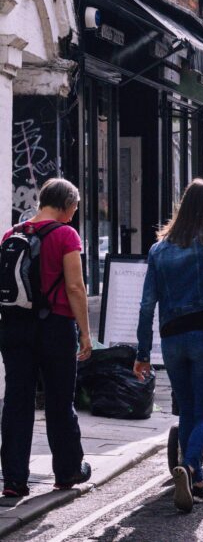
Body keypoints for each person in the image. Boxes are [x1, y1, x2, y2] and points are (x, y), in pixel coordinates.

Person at [134, 180, 203, 514]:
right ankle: (189, 466)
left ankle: (198, 484)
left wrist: (142, 353)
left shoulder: (159, 249)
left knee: (187, 409)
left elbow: (147, 306)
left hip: (171, 337)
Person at [1, 179, 92, 498]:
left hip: (14, 325)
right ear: (66, 204)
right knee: (58, 400)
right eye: (75, 206)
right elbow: (75, 287)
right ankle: (67, 472)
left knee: (16, 400)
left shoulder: (12, 234)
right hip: (55, 325)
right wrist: (85, 333)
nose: (75, 212)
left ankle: (13, 479)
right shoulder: (66, 234)